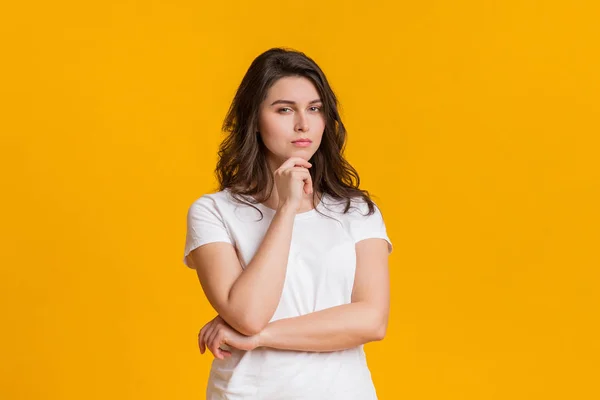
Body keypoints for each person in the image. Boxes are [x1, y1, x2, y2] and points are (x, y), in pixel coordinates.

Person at [183, 47, 393, 400]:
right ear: (254, 118)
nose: (303, 124)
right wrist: (286, 210)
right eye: (284, 109)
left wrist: (263, 337)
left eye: (315, 108)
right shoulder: (213, 212)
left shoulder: (356, 211)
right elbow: (249, 314)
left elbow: (371, 320)